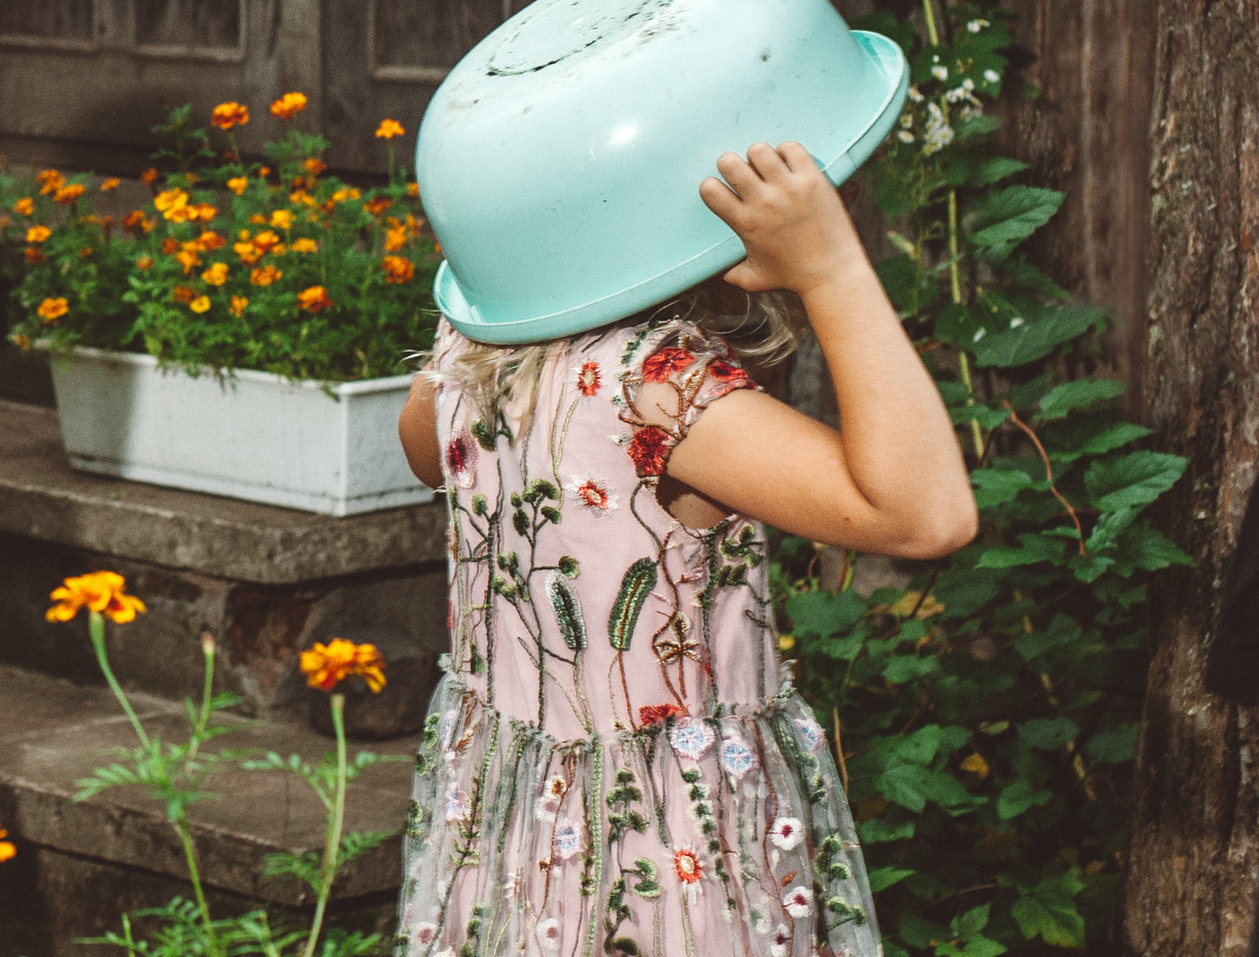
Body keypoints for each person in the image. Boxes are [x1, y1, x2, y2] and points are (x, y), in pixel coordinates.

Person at [394, 139, 979, 956]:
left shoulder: (462, 362)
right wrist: (833, 268)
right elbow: (928, 514)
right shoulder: (656, 388)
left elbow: (426, 451)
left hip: (515, 835)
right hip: (668, 851)